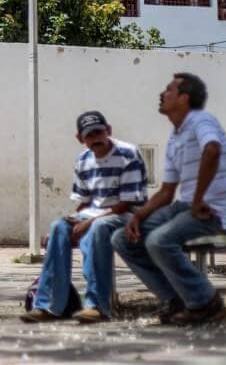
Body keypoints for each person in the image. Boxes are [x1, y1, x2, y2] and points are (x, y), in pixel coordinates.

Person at [112, 73, 226, 326]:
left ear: (184, 98)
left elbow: (212, 149)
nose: (162, 94)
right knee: (122, 238)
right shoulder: (175, 137)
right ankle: (176, 300)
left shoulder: (202, 120)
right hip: (186, 206)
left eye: (169, 90)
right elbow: (166, 192)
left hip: (214, 211)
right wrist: (138, 216)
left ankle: (205, 302)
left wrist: (198, 198)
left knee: (159, 241)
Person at [20, 111, 148, 324]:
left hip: (127, 215)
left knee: (96, 230)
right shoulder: (83, 160)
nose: (96, 138)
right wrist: (73, 221)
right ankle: (48, 306)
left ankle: (96, 305)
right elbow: (85, 202)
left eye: (99, 132)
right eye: (90, 135)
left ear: (108, 130)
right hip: (93, 215)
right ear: (80, 138)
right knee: (58, 228)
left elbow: (127, 202)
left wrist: (88, 222)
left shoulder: (128, 154)